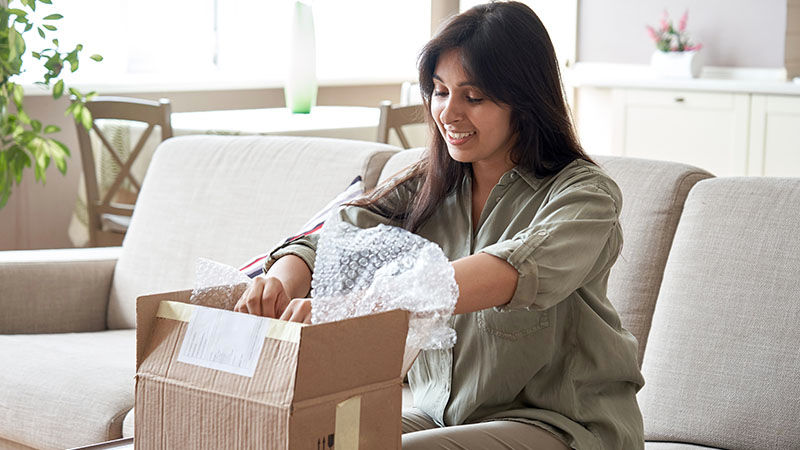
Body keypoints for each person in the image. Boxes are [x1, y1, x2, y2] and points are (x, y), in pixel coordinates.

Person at [235, 2, 644, 448]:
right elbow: (339, 234)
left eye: (474, 97)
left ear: (525, 101)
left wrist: (353, 307)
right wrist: (283, 277)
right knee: (297, 439)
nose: (448, 113)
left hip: (562, 425)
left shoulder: (585, 196)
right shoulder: (429, 186)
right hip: (443, 417)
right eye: (439, 91)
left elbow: (510, 269)